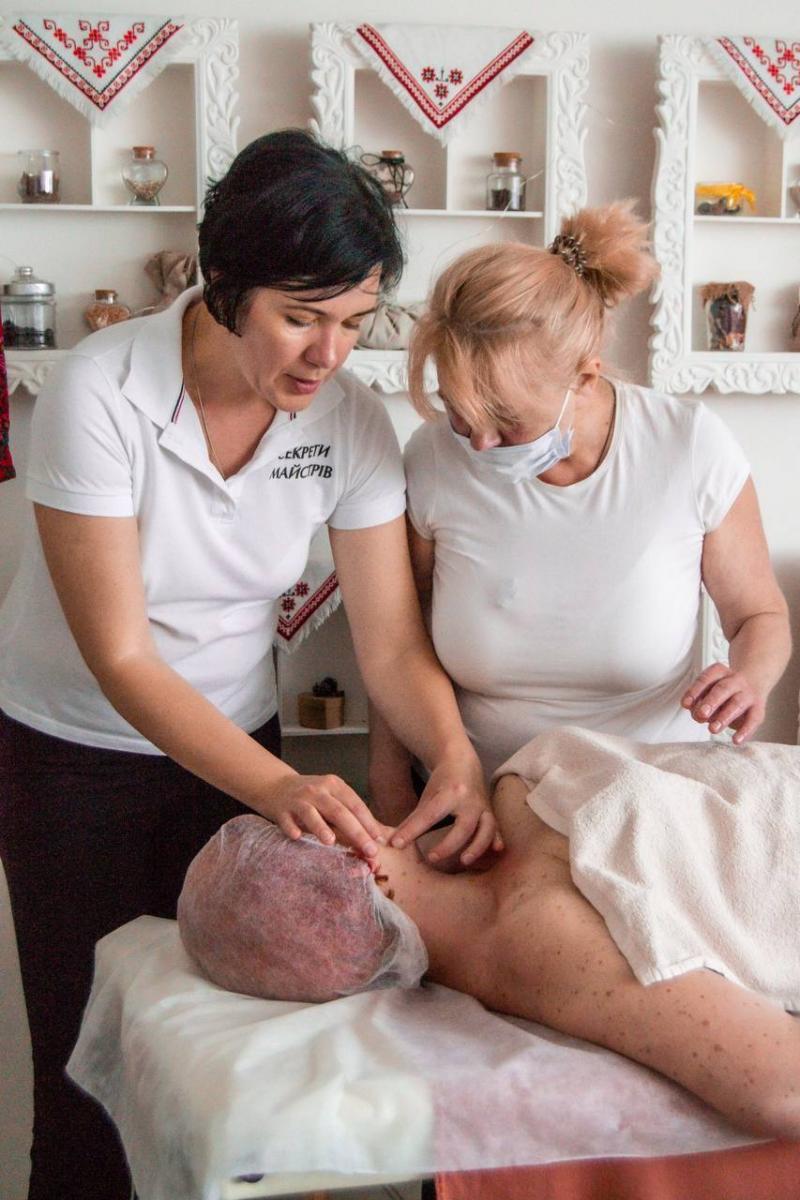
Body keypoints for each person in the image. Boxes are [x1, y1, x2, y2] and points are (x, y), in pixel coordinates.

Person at [0, 129, 492, 1200]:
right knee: (85, 1074)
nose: (328, 354)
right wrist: (279, 788)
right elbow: (120, 655)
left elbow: (390, 642)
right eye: (300, 316)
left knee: (235, 1062)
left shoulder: (349, 423)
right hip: (73, 755)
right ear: (225, 286)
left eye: (354, 322)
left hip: (235, 745)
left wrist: (451, 751)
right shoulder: (100, 390)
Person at [369, 201, 791, 846]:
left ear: (585, 377)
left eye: (506, 420)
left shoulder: (688, 448)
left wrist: (749, 678)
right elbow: (398, 645)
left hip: (650, 803)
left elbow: (760, 615)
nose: (478, 443)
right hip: (479, 805)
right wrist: (394, 792)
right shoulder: (432, 459)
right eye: (458, 411)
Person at [178, 728, 800, 1142]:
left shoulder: (501, 799)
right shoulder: (540, 944)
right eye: (314, 825)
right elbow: (781, 1089)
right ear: (360, 865)